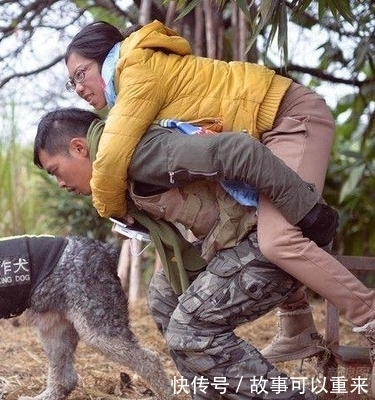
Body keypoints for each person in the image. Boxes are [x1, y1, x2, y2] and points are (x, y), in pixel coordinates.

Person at [62, 20, 374, 367]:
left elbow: (110, 157)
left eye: (80, 73)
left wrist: (111, 208)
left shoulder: (136, 70)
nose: (77, 87)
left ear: (105, 58)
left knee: (277, 239)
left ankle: (369, 315)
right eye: (71, 81)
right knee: (253, 225)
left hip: (291, 117)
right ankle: (297, 327)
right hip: (268, 129)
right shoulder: (136, 71)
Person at [33, 107, 340, 399]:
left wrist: (310, 213)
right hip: (238, 239)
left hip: (271, 238)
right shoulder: (116, 170)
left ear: (79, 148)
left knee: (189, 329)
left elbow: (238, 150)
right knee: (164, 296)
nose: (60, 184)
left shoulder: (141, 154)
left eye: (56, 171)